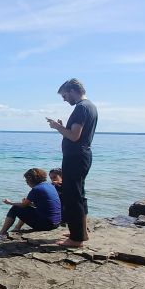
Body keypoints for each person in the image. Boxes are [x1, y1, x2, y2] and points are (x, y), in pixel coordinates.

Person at [46, 78, 98, 248]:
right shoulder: (90, 106)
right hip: (82, 155)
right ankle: (81, 231)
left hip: (75, 157)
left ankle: (76, 239)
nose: (64, 99)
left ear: (72, 90)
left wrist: (56, 127)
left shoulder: (81, 108)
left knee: (72, 196)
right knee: (79, 194)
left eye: (64, 95)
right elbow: (75, 135)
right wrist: (63, 129)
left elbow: (74, 136)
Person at [0, 167, 61, 239]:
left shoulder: (36, 189)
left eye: (26, 181)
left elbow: (23, 205)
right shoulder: (49, 185)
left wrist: (10, 203)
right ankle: (17, 228)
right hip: (56, 223)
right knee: (26, 208)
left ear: (30, 179)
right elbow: (43, 205)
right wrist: (29, 204)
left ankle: (2, 232)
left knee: (15, 208)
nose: (27, 183)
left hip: (46, 225)